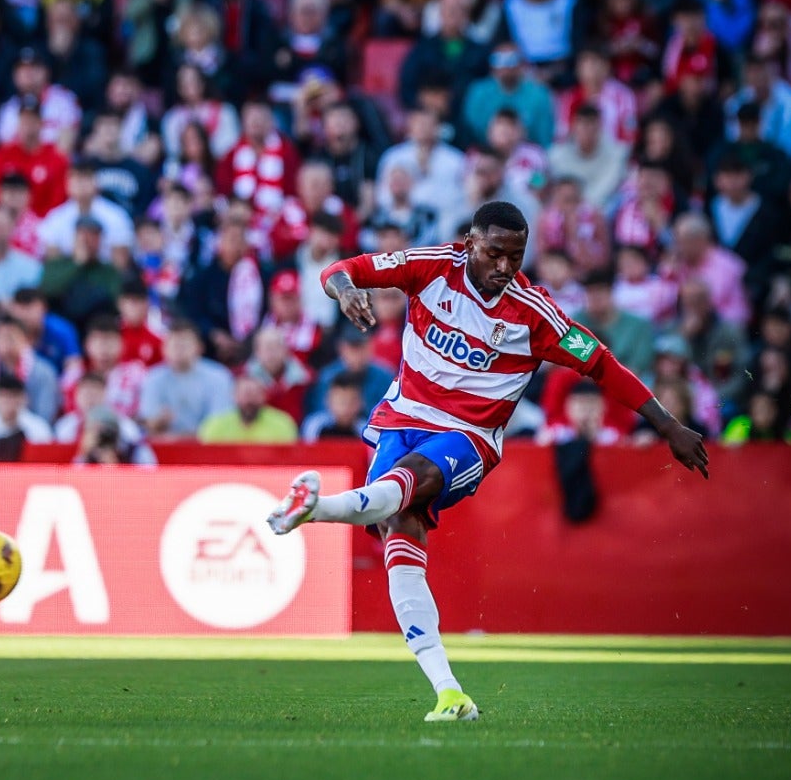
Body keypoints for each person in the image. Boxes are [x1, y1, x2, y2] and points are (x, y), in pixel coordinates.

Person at [267, 201, 708, 724]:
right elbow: (340, 270)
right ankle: (448, 693)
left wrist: (668, 425)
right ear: (470, 243)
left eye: (515, 257)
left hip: (469, 436)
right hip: (402, 416)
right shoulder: (431, 266)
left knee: (408, 485)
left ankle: (312, 508)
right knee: (397, 527)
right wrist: (346, 293)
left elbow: (603, 365)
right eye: (495, 253)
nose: (504, 267)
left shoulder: (534, 314)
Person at [198, 374, 298, 443]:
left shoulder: (282, 423)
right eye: (245, 394)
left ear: (264, 396)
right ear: (234, 396)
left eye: (255, 394)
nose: (249, 400)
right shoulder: (215, 425)